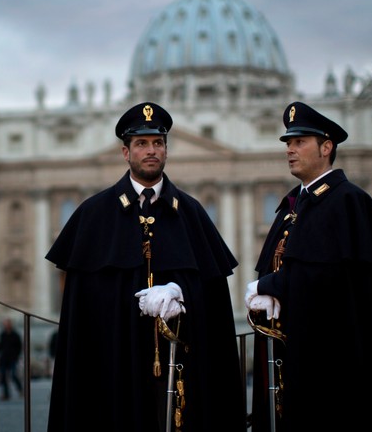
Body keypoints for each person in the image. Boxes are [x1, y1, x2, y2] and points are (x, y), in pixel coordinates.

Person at [46, 102, 244, 432]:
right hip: (114, 363)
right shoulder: (94, 214)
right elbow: (83, 306)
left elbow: (214, 300)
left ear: (166, 150)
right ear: (126, 152)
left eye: (158, 143)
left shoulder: (191, 213)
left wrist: (181, 291)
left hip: (180, 364)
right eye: (141, 143)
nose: (151, 151)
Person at [245, 101, 372, 432]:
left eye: (300, 142)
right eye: (288, 143)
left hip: (335, 355)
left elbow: (332, 277)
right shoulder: (294, 205)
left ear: (326, 147)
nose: (290, 150)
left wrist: (270, 286)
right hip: (297, 349)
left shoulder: (347, 201)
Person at [0, 317, 23, 401]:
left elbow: (19, 347)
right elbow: (0, 345)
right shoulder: (2, 334)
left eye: (7, 323)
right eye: (5, 324)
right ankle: (6, 394)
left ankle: (20, 390)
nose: (6, 325)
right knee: (3, 375)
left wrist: (16, 356)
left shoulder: (15, 335)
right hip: (4, 358)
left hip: (13, 358)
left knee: (14, 375)